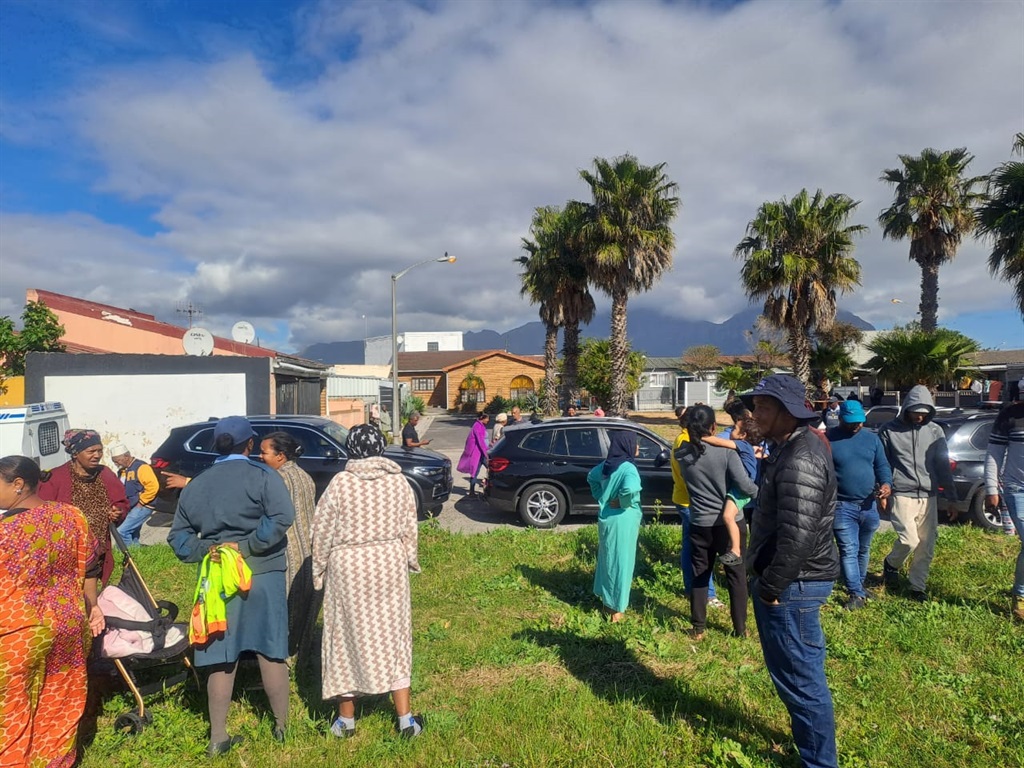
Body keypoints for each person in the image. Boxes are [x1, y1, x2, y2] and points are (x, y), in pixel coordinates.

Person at [167, 416, 295, 756]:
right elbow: (282, 517)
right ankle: (282, 728)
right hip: (263, 572)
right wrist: (249, 545)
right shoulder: (263, 476)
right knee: (270, 648)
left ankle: (217, 737)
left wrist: (207, 550)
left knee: (222, 655)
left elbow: (178, 538)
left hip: (217, 579)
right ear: (249, 444)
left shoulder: (197, 484)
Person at [742, 374, 840, 768]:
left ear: (788, 412)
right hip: (790, 583)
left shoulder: (801, 457)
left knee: (802, 681)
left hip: (793, 586)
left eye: (764, 406)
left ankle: (819, 762)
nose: (755, 414)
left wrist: (770, 587)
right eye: (755, 405)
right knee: (796, 676)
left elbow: (798, 536)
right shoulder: (789, 447)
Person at [312, 424, 424, 739]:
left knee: (345, 638)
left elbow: (321, 531)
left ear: (351, 449)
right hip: (388, 564)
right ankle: (406, 720)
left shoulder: (340, 484)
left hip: (348, 568)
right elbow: (409, 527)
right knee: (394, 636)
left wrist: (318, 571)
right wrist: (409, 559)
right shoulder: (398, 481)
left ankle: (345, 722)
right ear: (380, 448)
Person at [0, 455, 104, 768]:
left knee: (11, 709)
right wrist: (93, 606)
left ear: (18, 484)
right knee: (60, 699)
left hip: (18, 633)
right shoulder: (72, 516)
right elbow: (91, 565)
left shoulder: (6, 531)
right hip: (68, 625)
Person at [676, 405, 758, 639]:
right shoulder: (727, 453)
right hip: (729, 525)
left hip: (699, 522)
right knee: (736, 575)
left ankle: (698, 627)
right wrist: (757, 490)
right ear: (713, 426)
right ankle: (740, 629)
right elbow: (745, 485)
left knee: (700, 573)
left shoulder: (682, 454)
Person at [878, 385, 957, 601]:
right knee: (909, 540)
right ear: (907, 408)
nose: (920, 417)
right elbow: (881, 463)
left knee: (926, 545)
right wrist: (882, 492)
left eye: (924, 413)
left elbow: (942, 466)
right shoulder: (888, 430)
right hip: (901, 492)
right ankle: (891, 564)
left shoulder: (935, 431)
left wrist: (951, 498)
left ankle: (917, 588)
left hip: (929, 495)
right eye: (916, 412)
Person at [259, 431, 321, 666]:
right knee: (305, 608)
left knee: (286, 609)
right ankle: (301, 659)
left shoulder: (276, 480)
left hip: (288, 553)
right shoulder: (304, 476)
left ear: (280, 456)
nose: (260, 456)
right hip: (310, 552)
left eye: (264, 452)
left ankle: (283, 661)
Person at [39, 429, 129, 585]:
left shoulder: (105, 473)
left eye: (99, 450)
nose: (97, 455)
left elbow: (121, 502)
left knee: (91, 590)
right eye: (91, 451)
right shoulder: (55, 477)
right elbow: (41, 513)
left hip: (98, 549)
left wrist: (118, 511)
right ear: (75, 453)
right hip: (66, 551)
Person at [826, 400, 892, 610]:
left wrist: (886, 484)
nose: (856, 425)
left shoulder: (872, 439)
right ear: (841, 418)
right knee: (849, 549)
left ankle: (860, 587)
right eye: (851, 421)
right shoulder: (828, 439)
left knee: (864, 549)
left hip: (868, 504)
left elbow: (882, 466)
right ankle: (855, 593)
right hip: (841, 505)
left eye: (859, 421)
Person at [587, 431, 643, 622]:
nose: (637, 447)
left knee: (608, 559)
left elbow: (591, 477)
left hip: (607, 518)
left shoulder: (607, 465)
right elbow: (630, 489)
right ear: (627, 445)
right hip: (623, 520)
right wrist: (623, 502)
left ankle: (607, 603)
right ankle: (616, 611)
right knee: (622, 563)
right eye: (635, 443)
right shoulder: (628, 468)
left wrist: (602, 497)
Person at [669, 406, 720, 607]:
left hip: (685, 499)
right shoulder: (685, 441)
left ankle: (691, 588)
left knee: (690, 546)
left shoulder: (682, 438)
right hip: (691, 502)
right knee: (701, 550)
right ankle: (708, 594)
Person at [699, 405, 762, 567]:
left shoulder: (741, 444)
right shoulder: (747, 446)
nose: (731, 431)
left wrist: (703, 438)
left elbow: (719, 441)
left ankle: (736, 551)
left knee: (728, 516)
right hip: (740, 487)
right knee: (729, 516)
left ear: (743, 435)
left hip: (741, 489)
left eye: (734, 429)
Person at [984, 399, 1024, 621]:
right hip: (1017, 489)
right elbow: (994, 454)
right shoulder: (1010, 415)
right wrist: (991, 489)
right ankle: (1021, 596)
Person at [111, 443, 160, 547]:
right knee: (133, 533)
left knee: (122, 531)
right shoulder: (122, 471)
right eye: (114, 462)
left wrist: (141, 503)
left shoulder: (141, 467)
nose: (116, 464)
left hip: (143, 506)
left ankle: (126, 553)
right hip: (131, 506)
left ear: (126, 456)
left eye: (117, 461)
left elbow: (153, 486)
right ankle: (136, 552)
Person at [457, 412, 490, 497]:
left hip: (481, 452)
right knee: (479, 471)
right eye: (487, 418)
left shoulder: (480, 425)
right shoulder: (477, 426)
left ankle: (474, 490)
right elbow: (480, 442)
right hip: (479, 453)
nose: (488, 420)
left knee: (479, 471)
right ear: (482, 418)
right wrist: (486, 454)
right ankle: (473, 491)